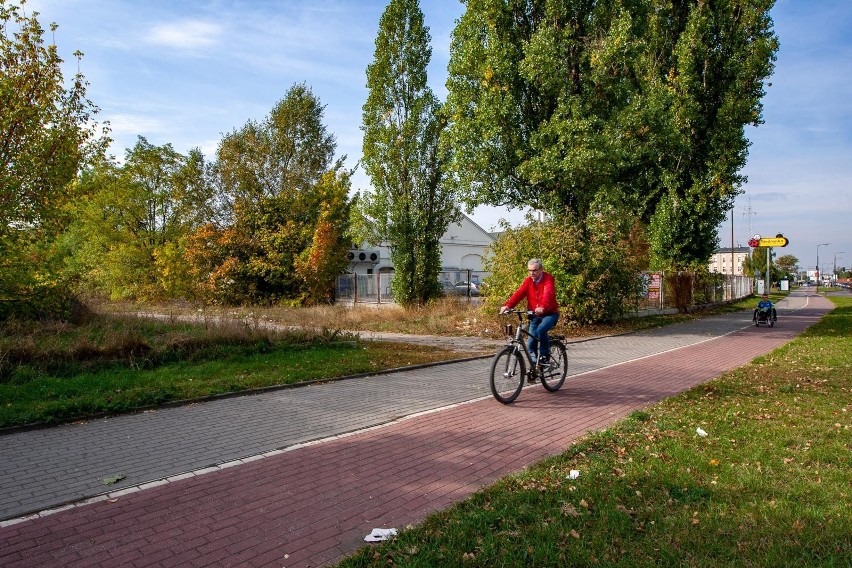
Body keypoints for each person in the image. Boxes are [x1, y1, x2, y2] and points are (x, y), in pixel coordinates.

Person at [499, 258, 559, 366]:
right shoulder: (528, 281)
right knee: (531, 342)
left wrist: (542, 306)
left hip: (549, 314)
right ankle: (535, 366)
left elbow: (548, 294)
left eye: (535, 270)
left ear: (541, 269)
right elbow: (520, 293)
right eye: (530, 270)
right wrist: (508, 305)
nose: (532, 273)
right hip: (534, 315)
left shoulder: (548, 279)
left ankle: (545, 356)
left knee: (541, 330)